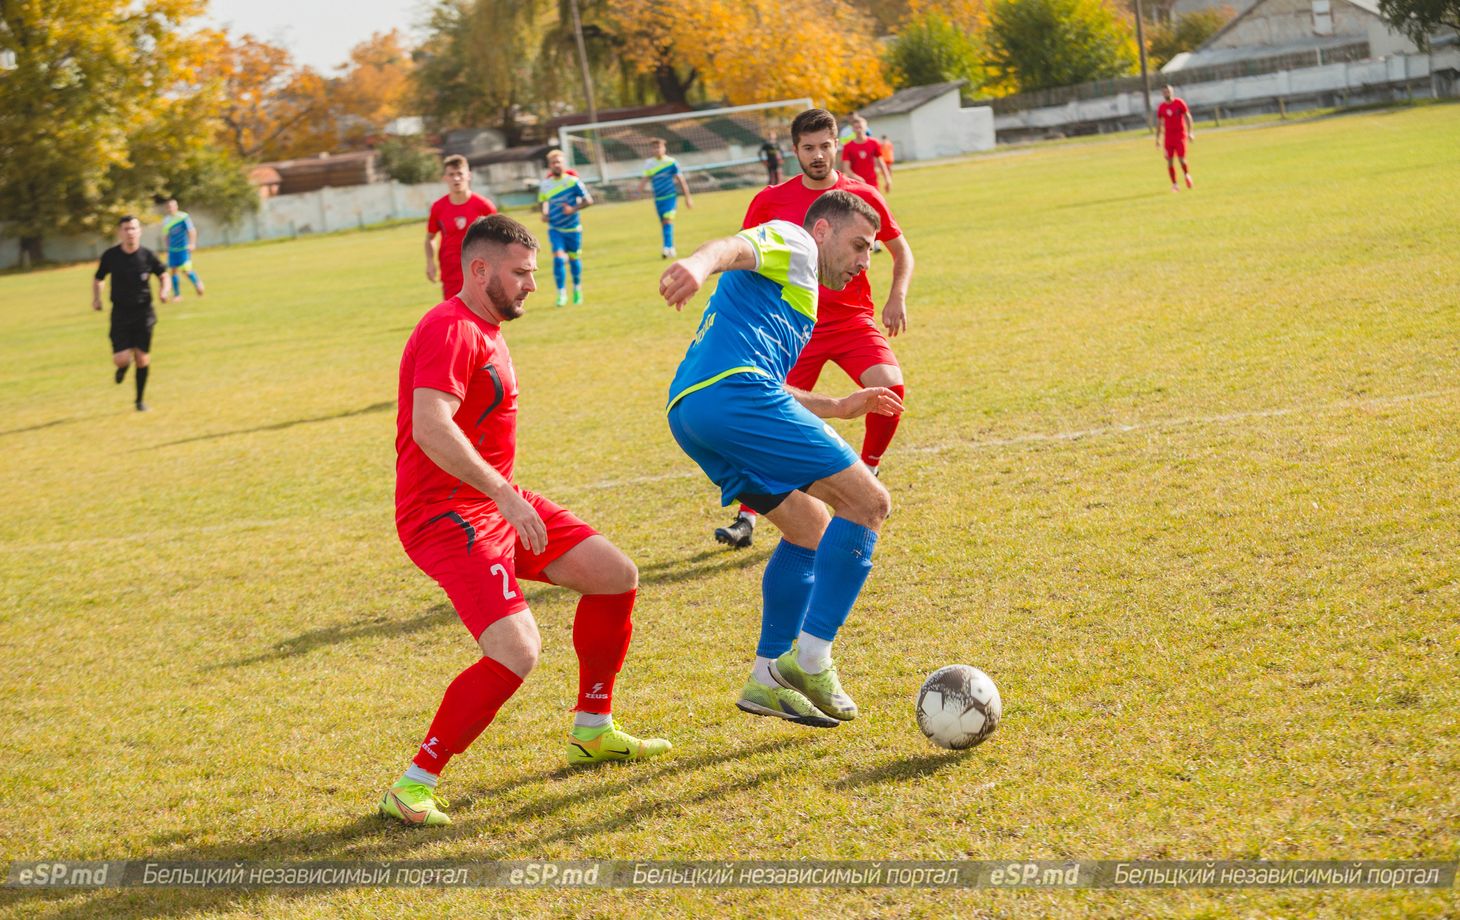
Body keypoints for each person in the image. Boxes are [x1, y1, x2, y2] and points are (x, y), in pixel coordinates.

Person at [381, 215, 670, 828]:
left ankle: (592, 730)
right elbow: (431, 425)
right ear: (479, 269)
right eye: (520, 273)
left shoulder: (485, 325)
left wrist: (505, 497)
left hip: (494, 501)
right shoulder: (450, 330)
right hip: (446, 516)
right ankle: (414, 783)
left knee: (614, 575)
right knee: (516, 649)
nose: (531, 286)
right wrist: (505, 498)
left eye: (532, 274)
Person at [662, 191, 902, 728]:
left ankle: (767, 677)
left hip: (692, 412)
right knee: (868, 503)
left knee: (809, 524)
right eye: (859, 246)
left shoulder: (800, 291)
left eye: (873, 252)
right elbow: (733, 246)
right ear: (822, 231)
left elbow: (767, 382)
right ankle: (812, 658)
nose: (865, 262)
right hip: (733, 397)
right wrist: (697, 265)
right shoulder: (794, 242)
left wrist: (836, 406)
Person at [714, 108, 915, 549]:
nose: (819, 155)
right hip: (793, 326)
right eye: (809, 148)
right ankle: (746, 517)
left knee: (890, 388)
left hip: (851, 321)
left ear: (836, 145)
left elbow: (902, 252)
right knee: (764, 412)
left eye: (826, 145)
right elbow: (748, 259)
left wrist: (896, 296)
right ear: (795, 151)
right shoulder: (770, 200)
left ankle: (869, 471)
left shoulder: (862, 197)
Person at [92, 215, 169, 412]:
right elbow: (99, 278)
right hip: (120, 314)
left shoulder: (147, 255)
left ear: (139, 231)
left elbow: (163, 273)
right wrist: (97, 298)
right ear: (120, 232)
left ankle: (139, 401)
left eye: (133, 228)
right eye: (126, 229)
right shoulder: (111, 256)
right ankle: (123, 367)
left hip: (144, 312)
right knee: (122, 358)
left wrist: (164, 290)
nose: (130, 232)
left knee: (142, 359)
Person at [426, 155, 498, 300]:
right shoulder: (438, 207)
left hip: (480, 270)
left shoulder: (484, 206)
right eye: (451, 174)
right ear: (445, 178)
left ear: (468, 175)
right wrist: (430, 263)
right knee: (454, 315)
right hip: (450, 271)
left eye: (460, 174)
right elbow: (430, 238)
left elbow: (499, 238)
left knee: (485, 314)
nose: (456, 178)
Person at [539, 150, 593, 307]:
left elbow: (588, 200)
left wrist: (573, 209)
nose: (556, 164)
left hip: (573, 229)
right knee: (558, 258)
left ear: (564, 164)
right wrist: (544, 213)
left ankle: (577, 289)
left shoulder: (573, 181)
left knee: (574, 259)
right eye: (553, 162)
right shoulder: (545, 184)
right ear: (549, 166)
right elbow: (542, 201)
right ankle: (561, 293)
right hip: (555, 228)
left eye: (559, 162)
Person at [636, 138, 694, 258]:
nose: (657, 150)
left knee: (668, 221)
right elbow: (645, 179)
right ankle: (670, 247)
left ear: (664, 148)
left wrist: (687, 197)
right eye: (654, 147)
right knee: (664, 223)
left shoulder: (671, 162)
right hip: (658, 199)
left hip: (670, 197)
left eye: (659, 147)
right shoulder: (649, 163)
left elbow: (681, 180)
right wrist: (637, 193)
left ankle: (667, 248)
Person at [161, 198, 204, 299]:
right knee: (173, 271)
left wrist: (192, 244)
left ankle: (198, 284)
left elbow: (192, 231)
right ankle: (177, 295)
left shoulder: (183, 217)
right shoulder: (166, 220)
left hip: (183, 249)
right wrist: (168, 249)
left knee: (186, 271)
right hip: (172, 250)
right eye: (169, 207)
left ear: (176, 206)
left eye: (172, 206)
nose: (171, 208)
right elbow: (166, 236)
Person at [1155, 85, 1195, 191]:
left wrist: (1190, 133)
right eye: (1164, 92)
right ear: (1162, 94)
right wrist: (1158, 139)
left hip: (1180, 135)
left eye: (1168, 91)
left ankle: (1187, 175)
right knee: (1169, 161)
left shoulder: (1179, 103)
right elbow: (1159, 124)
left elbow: (1188, 117)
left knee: (1182, 159)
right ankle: (1175, 184)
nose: (1166, 94)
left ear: (1172, 92)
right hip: (1168, 137)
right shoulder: (1161, 107)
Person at [840, 115, 891, 193]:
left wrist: (887, 179)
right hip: (856, 184)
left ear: (866, 128)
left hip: (872, 183)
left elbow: (881, 162)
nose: (858, 130)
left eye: (860, 127)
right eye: (856, 127)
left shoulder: (874, 143)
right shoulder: (848, 146)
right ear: (852, 129)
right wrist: (856, 178)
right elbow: (846, 168)